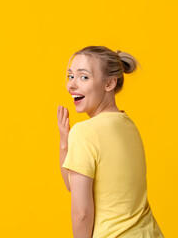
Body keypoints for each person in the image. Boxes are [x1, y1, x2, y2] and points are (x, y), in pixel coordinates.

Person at [57, 46, 164, 238]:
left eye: (84, 77)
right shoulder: (128, 124)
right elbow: (73, 186)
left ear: (110, 83)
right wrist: (65, 143)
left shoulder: (86, 132)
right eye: (70, 76)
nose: (71, 85)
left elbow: (82, 214)